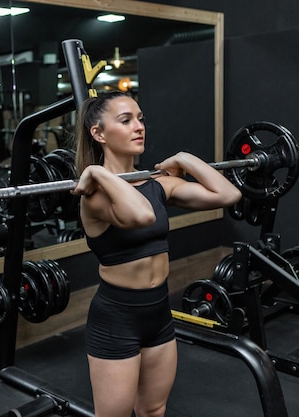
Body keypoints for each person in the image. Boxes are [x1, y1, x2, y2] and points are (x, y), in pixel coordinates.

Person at [71, 91, 241, 417]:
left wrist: (185, 158)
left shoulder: (158, 184)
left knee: (153, 409)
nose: (139, 127)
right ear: (99, 133)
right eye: (126, 120)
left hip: (159, 313)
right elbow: (142, 215)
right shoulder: (93, 195)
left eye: (140, 118)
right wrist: (100, 173)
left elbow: (228, 193)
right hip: (116, 319)